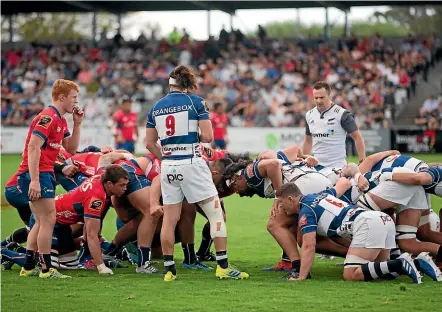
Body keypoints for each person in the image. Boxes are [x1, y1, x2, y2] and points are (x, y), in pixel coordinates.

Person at [145, 65, 248, 281]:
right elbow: (208, 136)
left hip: (168, 167)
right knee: (216, 214)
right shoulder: (195, 101)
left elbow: (150, 144)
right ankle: (223, 267)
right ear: (186, 84)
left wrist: (166, 157)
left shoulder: (155, 107)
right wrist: (194, 138)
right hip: (192, 162)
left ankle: (170, 270)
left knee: (170, 220)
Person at [275, 182, 429, 284]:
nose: (281, 207)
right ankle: (417, 262)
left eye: (281, 203)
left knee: (350, 275)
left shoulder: (305, 211)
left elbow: (309, 245)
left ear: (290, 199)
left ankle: (402, 262)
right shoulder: (319, 195)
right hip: (382, 219)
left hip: (367, 223)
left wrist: (301, 277)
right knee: (381, 272)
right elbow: (342, 184)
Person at [18, 79, 84, 279]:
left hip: (41, 173)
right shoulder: (48, 117)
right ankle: (46, 269)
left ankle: (28, 266)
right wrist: (35, 180)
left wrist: (77, 123)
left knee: (40, 221)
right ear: (62, 97)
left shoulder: (61, 120)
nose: (76, 101)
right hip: (39, 173)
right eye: (73, 97)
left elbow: (70, 149)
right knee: (49, 220)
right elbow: (33, 147)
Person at [302, 81, 366, 168]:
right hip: (316, 167)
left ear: (329, 96)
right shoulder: (309, 115)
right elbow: (308, 141)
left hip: (337, 167)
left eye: (322, 97)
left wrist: (362, 161)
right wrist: (305, 162)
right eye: (315, 98)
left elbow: (357, 137)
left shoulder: (342, 114)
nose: (318, 100)